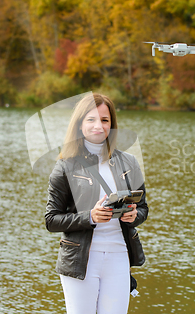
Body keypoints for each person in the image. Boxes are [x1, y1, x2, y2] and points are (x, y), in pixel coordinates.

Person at [45, 93, 148, 314]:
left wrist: (133, 215)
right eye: (91, 119)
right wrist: (90, 217)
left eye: (104, 120)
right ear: (80, 125)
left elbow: (143, 208)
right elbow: (51, 220)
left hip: (119, 257)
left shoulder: (129, 162)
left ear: (111, 125)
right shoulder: (65, 166)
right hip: (80, 261)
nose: (98, 126)